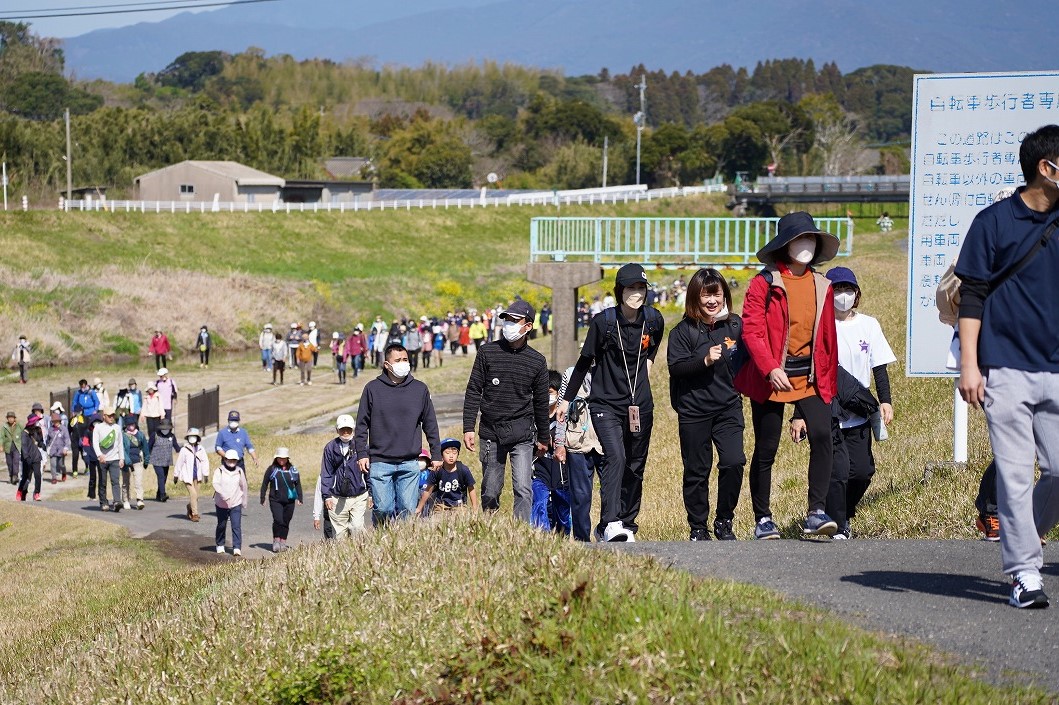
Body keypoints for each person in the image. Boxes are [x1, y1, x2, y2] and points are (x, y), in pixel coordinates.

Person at [956, 124, 1059, 609]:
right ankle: (1024, 574)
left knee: (1058, 471)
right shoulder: (992, 222)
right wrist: (970, 366)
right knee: (1015, 475)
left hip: (1057, 367)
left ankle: (1025, 536)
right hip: (1005, 368)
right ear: (1047, 168)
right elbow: (971, 297)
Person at [734, 211, 840, 539]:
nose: (805, 244)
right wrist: (770, 367)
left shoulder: (823, 285)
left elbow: (827, 339)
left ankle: (816, 512)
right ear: (785, 246)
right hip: (770, 376)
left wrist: (827, 380)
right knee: (767, 447)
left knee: (823, 436)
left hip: (810, 376)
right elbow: (751, 330)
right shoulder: (763, 283)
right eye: (798, 239)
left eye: (810, 238)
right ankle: (763, 518)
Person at [560, 264, 665, 542]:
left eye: (641, 288)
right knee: (615, 457)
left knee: (635, 464)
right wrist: (565, 399)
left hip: (641, 405)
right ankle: (610, 522)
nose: (637, 293)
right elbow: (584, 362)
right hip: (605, 404)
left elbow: (653, 346)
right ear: (620, 291)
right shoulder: (604, 323)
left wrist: (650, 364)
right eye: (631, 288)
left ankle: (628, 523)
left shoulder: (653, 320)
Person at [804, 266, 896, 540]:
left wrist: (886, 401)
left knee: (862, 471)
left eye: (848, 290)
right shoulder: (818, 326)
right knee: (838, 471)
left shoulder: (869, 324)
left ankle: (842, 512)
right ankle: (840, 524)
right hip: (828, 406)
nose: (843, 295)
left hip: (860, 408)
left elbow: (879, 367)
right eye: (837, 289)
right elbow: (808, 372)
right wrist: (800, 415)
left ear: (856, 294)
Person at [667, 268, 746, 541]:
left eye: (716, 293)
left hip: (728, 407)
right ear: (694, 297)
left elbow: (748, 360)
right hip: (693, 411)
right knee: (696, 471)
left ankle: (724, 520)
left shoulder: (735, 325)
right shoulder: (682, 331)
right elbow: (676, 368)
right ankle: (698, 527)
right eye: (705, 295)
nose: (712, 300)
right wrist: (704, 361)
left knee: (734, 462)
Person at [463, 299, 550, 522]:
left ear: (528, 326)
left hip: (522, 433)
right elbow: (474, 390)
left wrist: (543, 437)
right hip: (491, 432)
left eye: (514, 320)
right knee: (491, 490)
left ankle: (521, 532)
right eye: (506, 320)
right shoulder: (487, 352)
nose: (508, 324)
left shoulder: (537, 361)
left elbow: (541, 402)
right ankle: (490, 528)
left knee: (523, 487)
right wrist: (468, 427)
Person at [356, 344, 442, 525]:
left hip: (409, 462)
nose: (403, 364)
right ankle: (381, 539)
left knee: (407, 511)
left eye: (405, 360)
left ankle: (403, 548)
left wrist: (436, 454)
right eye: (398, 360)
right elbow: (362, 424)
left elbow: (430, 424)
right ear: (387, 364)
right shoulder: (372, 389)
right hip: (380, 461)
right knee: (383, 508)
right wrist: (362, 454)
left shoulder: (420, 389)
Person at [531, 371, 572, 535]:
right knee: (539, 501)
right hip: (539, 469)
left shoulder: (566, 417)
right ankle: (541, 538)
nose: (546, 397)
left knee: (562, 510)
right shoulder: (532, 417)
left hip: (561, 472)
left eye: (550, 393)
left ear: (558, 393)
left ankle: (563, 538)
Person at [320, 414, 369, 538]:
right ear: (337, 430)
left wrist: (372, 494)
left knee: (357, 527)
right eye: (342, 429)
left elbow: (369, 470)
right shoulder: (330, 448)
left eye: (348, 429)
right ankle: (346, 556)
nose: (345, 432)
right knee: (340, 535)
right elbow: (326, 473)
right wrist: (327, 496)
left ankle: (362, 552)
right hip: (337, 497)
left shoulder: (362, 447)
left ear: (353, 429)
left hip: (359, 495)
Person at [415, 438, 478, 517]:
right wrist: (419, 508)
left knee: (459, 521)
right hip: (441, 506)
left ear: (458, 454)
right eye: (447, 453)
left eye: (454, 453)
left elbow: (471, 488)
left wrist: (475, 509)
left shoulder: (463, 469)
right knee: (437, 522)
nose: (451, 456)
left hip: (459, 505)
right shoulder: (437, 470)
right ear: (441, 455)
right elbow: (428, 490)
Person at [259, 447, 303, 553]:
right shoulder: (272, 469)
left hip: (289, 500)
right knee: (278, 520)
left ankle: (283, 542)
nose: (281, 460)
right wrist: (262, 497)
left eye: (284, 458)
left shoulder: (293, 469)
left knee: (286, 521)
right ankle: (276, 541)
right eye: (279, 458)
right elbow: (265, 483)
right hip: (275, 499)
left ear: (287, 458)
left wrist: (300, 497)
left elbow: (298, 484)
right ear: (276, 458)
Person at [213, 449, 248, 556]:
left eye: (234, 460)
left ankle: (237, 547)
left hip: (236, 502)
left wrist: (244, 501)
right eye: (229, 460)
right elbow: (216, 484)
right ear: (225, 459)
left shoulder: (239, 471)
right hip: (221, 503)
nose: (232, 462)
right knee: (221, 525)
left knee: (236, 525)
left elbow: (244, 486)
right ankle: (220, 544)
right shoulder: (219, 470)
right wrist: (224, 496)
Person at [92, 406, 126, 512]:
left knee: (115, 481)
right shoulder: (98, 428)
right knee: (102, 482)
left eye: (113, 415)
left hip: (115, 458)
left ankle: (117, 502)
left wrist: (122, 458)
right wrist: (99, 455)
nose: (112, 417)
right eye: (109, 415)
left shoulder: (117, 427)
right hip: (103, 459)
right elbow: (95, 443)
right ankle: (104, 502)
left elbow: (120, 444)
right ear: (104, 416)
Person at [174, 427, 209, 522]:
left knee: (196, 496)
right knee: (193, 494)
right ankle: (195, 514)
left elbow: (205, 461)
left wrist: (206, 474)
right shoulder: (184, 450)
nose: (192, 438)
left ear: (197, 438)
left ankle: (190, 506)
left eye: (194, 436)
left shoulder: (201, 449)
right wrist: (176, 475)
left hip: (197, 476)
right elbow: (179, 463)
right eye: (190, 436)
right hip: (187, 476)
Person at [146, 417, 179, 502]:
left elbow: (177, 448)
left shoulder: (172, 436)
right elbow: (148, 447)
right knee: (160, 476)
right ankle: (163, 495)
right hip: (156, 460)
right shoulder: (155, 435)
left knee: (164, 478)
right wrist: (146, 457)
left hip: (167, 461)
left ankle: (158, 494)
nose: (165, 430)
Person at [121, 417, 148, 510]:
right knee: (125, 482)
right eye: (128, 425)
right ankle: (126, 500)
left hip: (138, 462)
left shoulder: (140, 435)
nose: (131, 426)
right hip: (126, 463)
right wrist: (126, 460)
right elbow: (122, 449)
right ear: (126, 426)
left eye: (132, 424)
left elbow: (145, 448)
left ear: (135, 424)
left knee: (138, 482)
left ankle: (140, 500)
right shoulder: (123, 435)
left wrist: (146, 460)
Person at [17, 415, 45, 501]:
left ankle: (37, 493)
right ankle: (21, 491)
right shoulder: (24, 433)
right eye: (36, 421)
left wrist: (42, 445)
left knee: (38, 475)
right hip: (27, 459)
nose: (37, 423)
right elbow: (24, 447)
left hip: (36, 457)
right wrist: (26, 458)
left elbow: (40, 442)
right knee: (26, 478)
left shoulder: (38, 430)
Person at [45, 412, 72, 484]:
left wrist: (66, 448)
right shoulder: (50, 429)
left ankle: (64, 472)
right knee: (53, 464)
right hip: (53, 450)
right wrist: (47, 447)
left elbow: (67, 439)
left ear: (59, 421)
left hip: (61, 450)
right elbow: (48, 439)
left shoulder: (64, 429)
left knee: (61, 465)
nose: (55, 423)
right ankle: (54, 478)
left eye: (56, 421)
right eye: (54, 421)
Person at [81, 414, 102, 501]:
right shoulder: (88, 432)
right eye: (94, 422)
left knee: (102, 477)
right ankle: (91, 495)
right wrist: (86, 456)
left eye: (98, 422)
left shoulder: (103, 430)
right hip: (92, 457)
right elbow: (85, 444)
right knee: (92, 477)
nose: (96, 423)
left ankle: (101, 494)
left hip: (101, 457)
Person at [2, 411, 22, 485]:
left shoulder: (19, 425)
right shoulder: (4, 427)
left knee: (16, 461)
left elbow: (24, 432)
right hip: (8, 447)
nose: (10, 419)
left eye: (12, 418)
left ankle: (15, 476)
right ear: (7, 419)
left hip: (16, 446)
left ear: (14, 418)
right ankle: (11, 476)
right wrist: (1, 445)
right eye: (9, 418)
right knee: (9, 463)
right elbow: (1, 437)